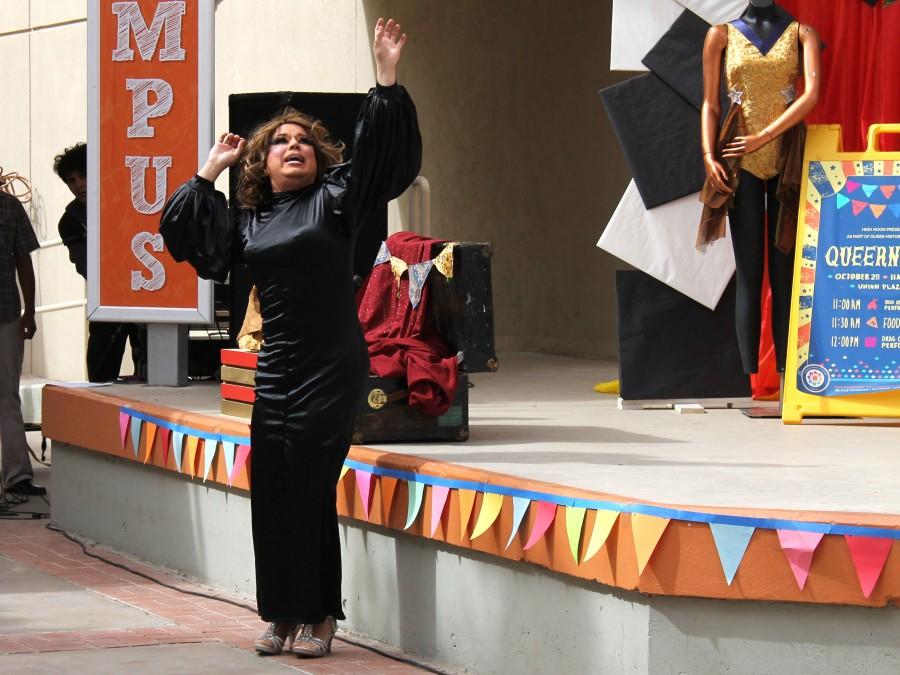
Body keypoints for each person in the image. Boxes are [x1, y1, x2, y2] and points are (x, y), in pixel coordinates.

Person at [160, 18, 421, 658]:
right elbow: (189, 237)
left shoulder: (337, 198)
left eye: (304, 140)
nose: (294, 146)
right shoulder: (248, 218)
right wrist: (207, 170)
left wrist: (385, 80)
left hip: (330, 364)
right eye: (280, 143)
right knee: (271, 487)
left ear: (320, 156)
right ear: (262, 162)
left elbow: (383, 160)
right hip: (275, 366)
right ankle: (279, 613)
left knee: (309, 484)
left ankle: (320, 616)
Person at [698, 0, 821, 375]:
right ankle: (749, 377)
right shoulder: (720, 35)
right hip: (739, 160)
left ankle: (787, 377)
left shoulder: (803, 34)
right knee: (749, 271)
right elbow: (710, 102)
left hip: (786, 161)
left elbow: (811, 94)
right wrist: (708, 153)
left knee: (784, 269)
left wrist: (764, 136)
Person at [53, 143, 146, 382]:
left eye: (83, 175)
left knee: (151, 374)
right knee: (99, 376)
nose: (79, 185)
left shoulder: (132, 199)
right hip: (107, 302)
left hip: (147, 294)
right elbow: (86, 266)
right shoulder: (71, 221)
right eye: (71, 180)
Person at [0, 187, 46, 496]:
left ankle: (17, 476)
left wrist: (29, 312)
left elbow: (24, 261)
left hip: (5, 313)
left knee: (7, 395)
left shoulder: (9, 206)